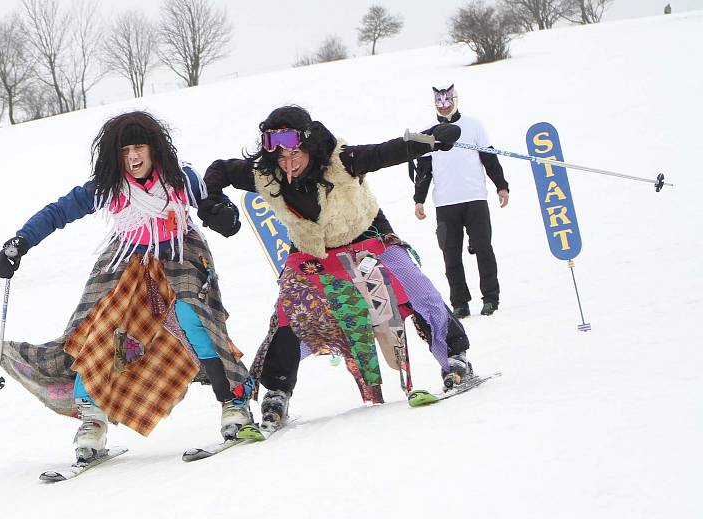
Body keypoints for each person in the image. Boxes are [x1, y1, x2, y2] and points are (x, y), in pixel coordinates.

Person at [0, 111, 255, 462]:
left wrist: (222, 215)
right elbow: (58, 212)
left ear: (154, 148)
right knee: (97, 328)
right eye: (124, 151)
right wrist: (20, 242)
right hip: (127, 260)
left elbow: (209, 204)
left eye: (139, 148)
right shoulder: (108, 187)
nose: (133, 158)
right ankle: (92, 419)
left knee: (193, 317)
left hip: (179, 255)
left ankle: (234, 402)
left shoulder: (181, 178)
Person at [202, 105, 472, 428]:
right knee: (289, 309)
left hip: (366, 233)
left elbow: (388, 152)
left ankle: (455, 358)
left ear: (310, 147)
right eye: (281, 159)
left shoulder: (342, 161)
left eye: (295, 156)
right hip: (312, 251)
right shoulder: (265, 173)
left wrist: (431, 140)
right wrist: (213, 201)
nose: (288, 165)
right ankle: (277, 392)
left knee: (413, 285)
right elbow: (218, 169)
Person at [412, 84, 509, 318]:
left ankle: (490, 298)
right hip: (445, 203)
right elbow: (424, 169)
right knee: (451, 254)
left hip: (474, 198)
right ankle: (460, 303)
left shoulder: (473, 125)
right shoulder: (427, 132)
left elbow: (489, 157)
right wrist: (419, 199)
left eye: (448, 101)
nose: (444, 106)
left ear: (456, 100)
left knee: (484, 247)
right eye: (439, 102)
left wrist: (501, 185)